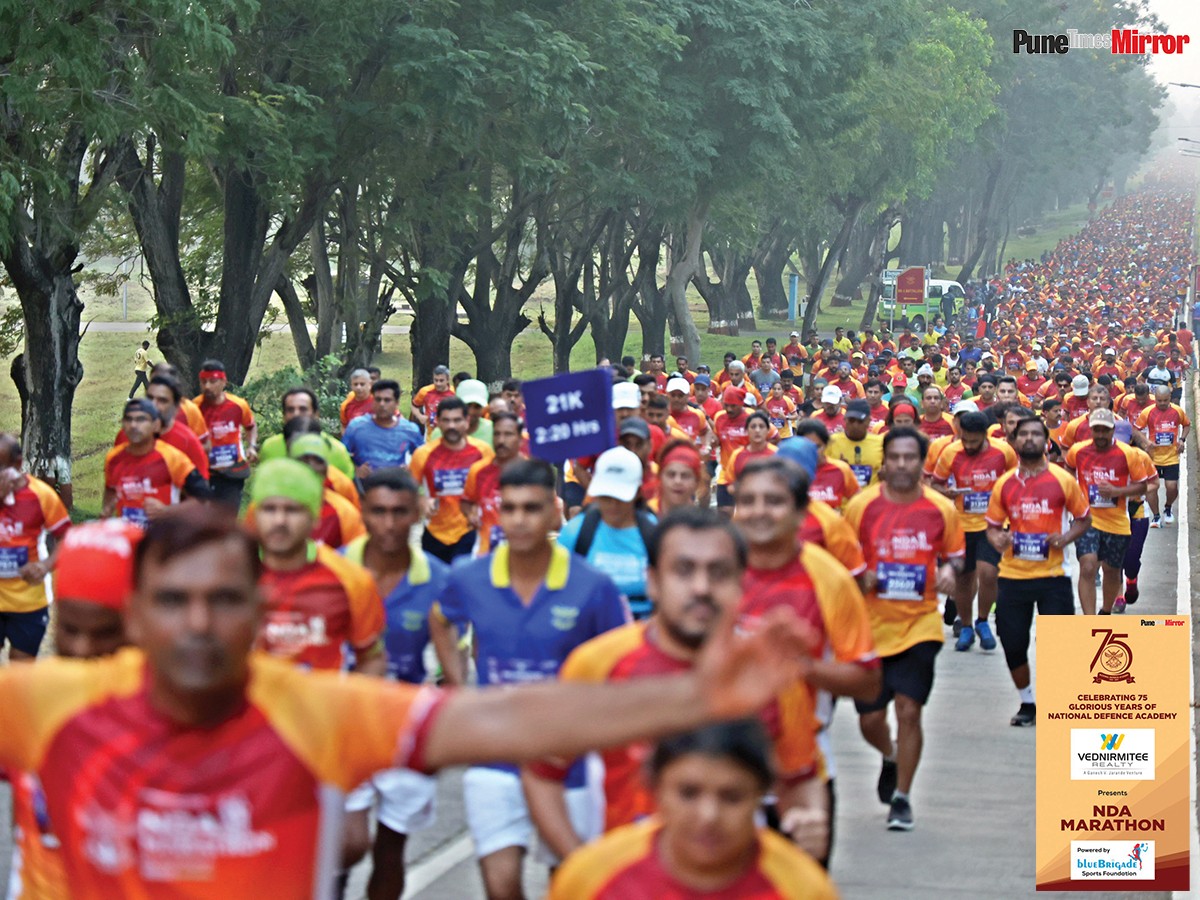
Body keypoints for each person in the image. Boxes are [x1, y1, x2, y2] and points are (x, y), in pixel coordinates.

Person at [0, 503, 811, 896]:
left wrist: (695, 695)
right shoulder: (52, 705)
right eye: (174, 602)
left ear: (261, 612)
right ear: (138, 615)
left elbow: (503, 718)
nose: (199, 624)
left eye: (224, 599)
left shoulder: (314, 711)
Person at [524, 508, 828, 864]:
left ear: (740, 583)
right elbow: (542, 771)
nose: (701, 587)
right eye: (684, 570)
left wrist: (809, 819)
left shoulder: (767, 674)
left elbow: (800, 777)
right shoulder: (598, 665)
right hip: (628, 879)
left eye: (718, 573)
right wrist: (579, 863)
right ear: (653, 581)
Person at [429, 459, 631, 900]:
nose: (520, 520)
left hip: (570, 762)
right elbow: (440, 618)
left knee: (570, 884)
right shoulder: (471, 578)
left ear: (555, 512)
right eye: (511, 508)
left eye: (532, 508)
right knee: (501, 886)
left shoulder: (592, 586)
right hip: (495, 758)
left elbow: (621, 659)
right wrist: (459, 688)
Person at [734, 457, 880, 861]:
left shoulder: (830, 580)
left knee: (805, 883)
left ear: (801, 513)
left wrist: (801, 667)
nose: (759, 511)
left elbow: (868, 681)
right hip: (722, 768)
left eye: (774, 501)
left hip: (803, 770)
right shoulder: (713, 571)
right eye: (748, 500)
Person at [548, 720, 838, 900]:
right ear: (655, 789)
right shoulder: (592, 877)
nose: (708, 816)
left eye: (731, 797)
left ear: (760, 794)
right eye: (688, 793)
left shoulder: (801, 888)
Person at [5, 520, 139, 898]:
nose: (82, 650)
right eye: (70, 629)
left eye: (107, 632)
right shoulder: (30, 698)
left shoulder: (189, 709)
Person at [844, 427, 964, 831]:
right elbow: (843, 560)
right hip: (870, 628)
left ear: (921, 463)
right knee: (870, 721)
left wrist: (949, 572)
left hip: (920, 623)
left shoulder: (940, 509)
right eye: (894, 457)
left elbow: (956, 555)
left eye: (909, 457)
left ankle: (902, 798)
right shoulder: (860, 507)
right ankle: (890, 754)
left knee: (909, 711)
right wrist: (860, 576)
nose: (900, 464)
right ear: (884, 461)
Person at [340, 469, 449, 900]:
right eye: (378, 512)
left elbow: (452, 662)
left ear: (417, 513)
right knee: (346, 844)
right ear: (363, 513)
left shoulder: (439, 580)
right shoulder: (335, 570)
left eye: (399, 512)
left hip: (407, 727)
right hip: (344, 725)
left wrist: (445, 731)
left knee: (390, 851)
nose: (388, 524)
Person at [985, 417, 1091, 726]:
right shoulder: (1004, 483)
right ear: (1015, 441)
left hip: (1053, 576)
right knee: (1013, 643)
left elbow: (1083, 518)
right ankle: (1028, 703)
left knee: (1057, 645)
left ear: (1046, 442)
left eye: (1036, 434)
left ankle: (1059, 701)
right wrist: (998, 539)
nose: (1029, 439)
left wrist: (1066, 538)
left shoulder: (1062, 480)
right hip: (1013, 576)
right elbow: (992, 526)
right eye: (1024, 434)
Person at [249, 459, 387, 674]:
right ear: (254, 515)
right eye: (269, 509)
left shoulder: (351, 579)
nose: (279, 520)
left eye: (293, 510)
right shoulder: (231, 576)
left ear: (314, 517)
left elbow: (371, 657)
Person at [930, 412, 1016, 650]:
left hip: (993, 524)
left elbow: (1016, 481)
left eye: (974, 441)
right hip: (962, 524)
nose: (968, 445)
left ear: (985, 435)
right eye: (964, 440)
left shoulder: (1003, 452)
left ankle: (983, 621)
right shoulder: (951, 452)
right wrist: (946, 492)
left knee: (989, 573)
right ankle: (966, 626)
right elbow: (935, 483)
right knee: (964, 579)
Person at [1064, 409, 1153, 615]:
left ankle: (1105, 611)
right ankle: (1090, 621)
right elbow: (1068, 471)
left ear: (1113, 430)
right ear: (1091, 430)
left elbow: (1142, 486)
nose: (1101, 434)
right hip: (1087, 520)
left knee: (1112, 571)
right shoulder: (1078, 451)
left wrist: (1117, 491)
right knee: (1088, 566)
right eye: (1097, 430)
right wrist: (1074, 493)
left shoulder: (1128, 454)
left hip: (1117, 522)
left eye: (1105, 430)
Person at [558, 447, 656, 619]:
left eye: (620, 497)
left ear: (638, 493)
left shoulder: (654, 534)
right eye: (606, 496)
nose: (612, 504)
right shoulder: (575, 532)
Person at [0, 434, 69, 662]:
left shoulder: (41, 495)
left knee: (22, 672)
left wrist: (45, 566)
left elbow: (67, 538)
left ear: (17, 464)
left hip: (29, 601)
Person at [409, 397, 494, 562]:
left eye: (457, 420)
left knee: (463, 576)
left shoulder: (483, 452)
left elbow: (493, 489)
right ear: (438, 422)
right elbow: (408, 489)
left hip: (469, 530)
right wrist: (421, 501)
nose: (451, 426)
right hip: (435, 531)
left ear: (466, 421)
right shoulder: (423, 455)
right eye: (446, 420)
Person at [102, 399, 211, 526]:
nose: (133, 425)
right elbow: (110, 490)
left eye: (141, 420)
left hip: (166, 535)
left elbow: (203, 500)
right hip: (129, 536)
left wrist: (167, 511)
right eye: (128, 419)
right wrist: (106, 513)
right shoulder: (114, 458)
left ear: (156, 425)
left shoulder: (172, 458)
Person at [115, 374, 210, 479]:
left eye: (162, 400)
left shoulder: (186, 438)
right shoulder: (126, 436)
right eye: (150, 398)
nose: (155, 405)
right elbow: (115, 478)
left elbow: (200, 481)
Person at [195, 359, 258, 507]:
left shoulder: (238, 405)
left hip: (233, 470)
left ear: (224, 382)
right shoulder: (195, 407)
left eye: (212, 381)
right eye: (203, 382)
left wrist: (252, 446)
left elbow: (251, 426)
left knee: (229, 514)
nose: (207, 386)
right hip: (206, 472)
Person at [462, 411, 525, 555]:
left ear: (520, 439)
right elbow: (466, 502)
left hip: (522, 555)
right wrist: (471, 514)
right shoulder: (478, 471)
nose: (501, 440)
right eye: (497, 434)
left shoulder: (533, 472)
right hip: (486, 554)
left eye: (508, 434)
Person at [258, 388, 356, 478]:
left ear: (316, 414)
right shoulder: (269, 448)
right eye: (290, 410)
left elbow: (346, 489)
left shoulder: (337, 451)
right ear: (284, 416)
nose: (296, 414)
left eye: (303, 409)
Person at [343, 379, 425, 477]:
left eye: (387, 400)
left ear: (397, 403)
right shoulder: (356, 426)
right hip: (365, 484)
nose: (382, 404)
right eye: (378, 399)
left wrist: (411, 468)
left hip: (397, 483)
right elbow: (342, 455)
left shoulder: (409, 429)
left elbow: (423, 458)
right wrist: (356, 470)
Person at [1135, 385, 1189, 526]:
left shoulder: (1177, 411)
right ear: (1155, 399)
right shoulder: (1148, 412)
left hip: (1171, 456)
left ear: (1170, 398)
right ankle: (1156, 516)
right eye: (1159, 400)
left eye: (1165, 400)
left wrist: (1182, 440)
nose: (1162, 403)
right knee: (1151, 488)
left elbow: (1187, 425)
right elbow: (1136, 429)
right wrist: (1146, 442)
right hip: (1153, 458)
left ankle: (1168, 507)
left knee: (1172, 487)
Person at [827, 399, 884, 488]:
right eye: (851, 420)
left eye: (860, 421)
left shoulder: (880, 443)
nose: (855, 425)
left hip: (870, 496)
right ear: (845, 419)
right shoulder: (831, 442)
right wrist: (838, 469)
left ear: (869, 421)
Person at [411, 365, 458, 435]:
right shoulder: (425, 391)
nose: (438, 384)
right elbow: (414, 405)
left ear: (448, 380)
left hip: (450, 433)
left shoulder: (455, 393)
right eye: (436, 380)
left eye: (441, 381)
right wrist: (419, 416)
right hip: (430, 435)